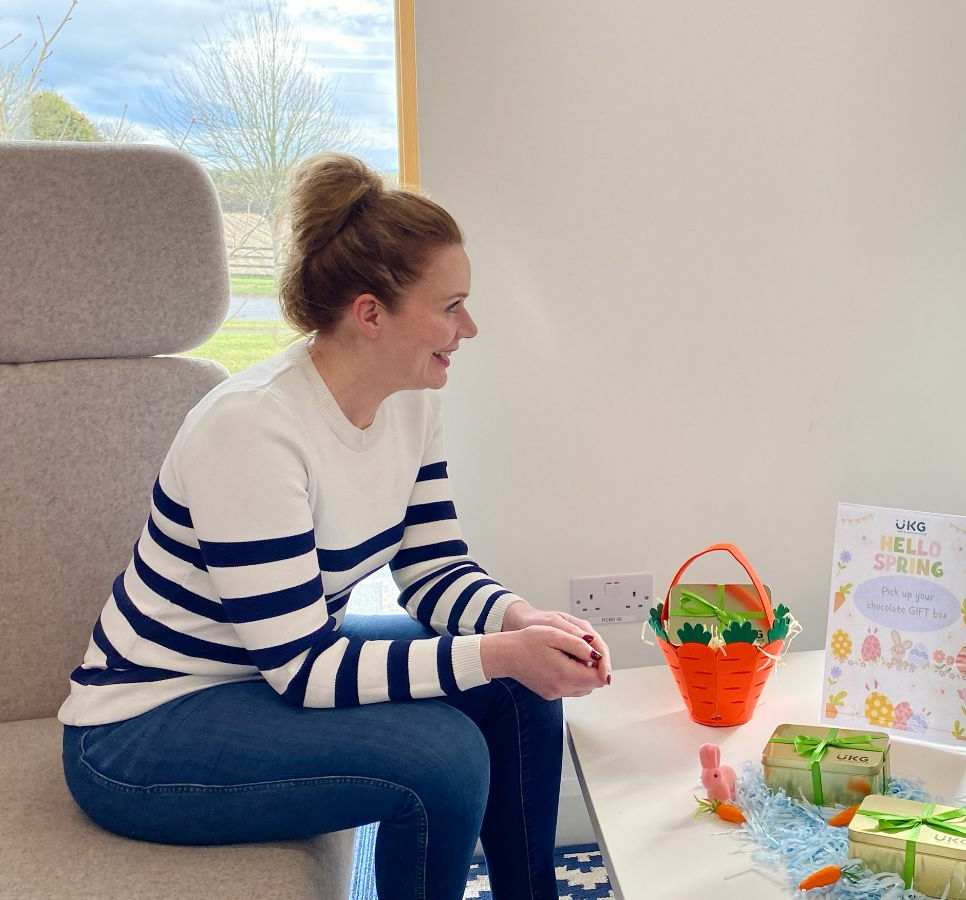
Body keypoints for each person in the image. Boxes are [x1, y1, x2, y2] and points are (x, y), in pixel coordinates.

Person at [57, 152, 609, 900]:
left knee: (520, 693)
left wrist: (522, 622)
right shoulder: (252, 429)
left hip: (262, 675)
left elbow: (434, 569)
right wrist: (498, 652)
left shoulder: (413, 399)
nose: (469, 326)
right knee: (442, 756)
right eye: (450, 306)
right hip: (144, 725)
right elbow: (304, 669)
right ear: (370, 313)